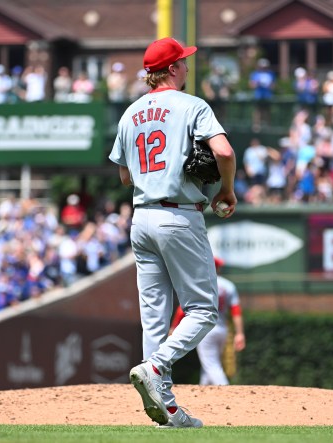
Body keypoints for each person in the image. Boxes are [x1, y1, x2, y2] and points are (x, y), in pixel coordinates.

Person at [108, 36, 237, 428]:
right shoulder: (192, 105)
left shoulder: (129, 113)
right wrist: (226, 190)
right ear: (172, 69)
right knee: (203, 310)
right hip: (179, 215)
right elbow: (225, 152)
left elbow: (125, 174)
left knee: (154, 319)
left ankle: (165, 409)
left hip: (141, 216)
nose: (186, 66)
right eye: (183, 61)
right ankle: (157, 366)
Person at [170, 257, 245, 385]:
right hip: (222, 329)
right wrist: (239, 333)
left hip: (205, 329)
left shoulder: (199, 284)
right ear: (218, 268)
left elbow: (181, 310)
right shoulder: (228, 285)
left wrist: (173, 327)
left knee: (211, 365)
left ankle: (226, 390)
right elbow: (236, 311)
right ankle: (203, 391)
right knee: (210, 363)